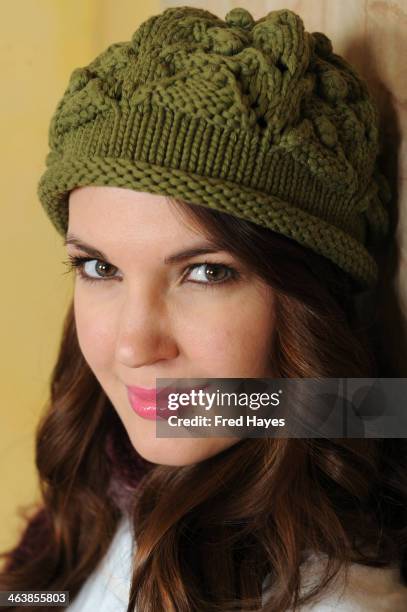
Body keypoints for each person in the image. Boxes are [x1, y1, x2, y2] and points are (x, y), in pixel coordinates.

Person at [1, 5, 406, 611]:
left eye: (207, 272)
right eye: (99, 267)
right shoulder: (109, 467)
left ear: (309, 295)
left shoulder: (328, 596)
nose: (133, 345)